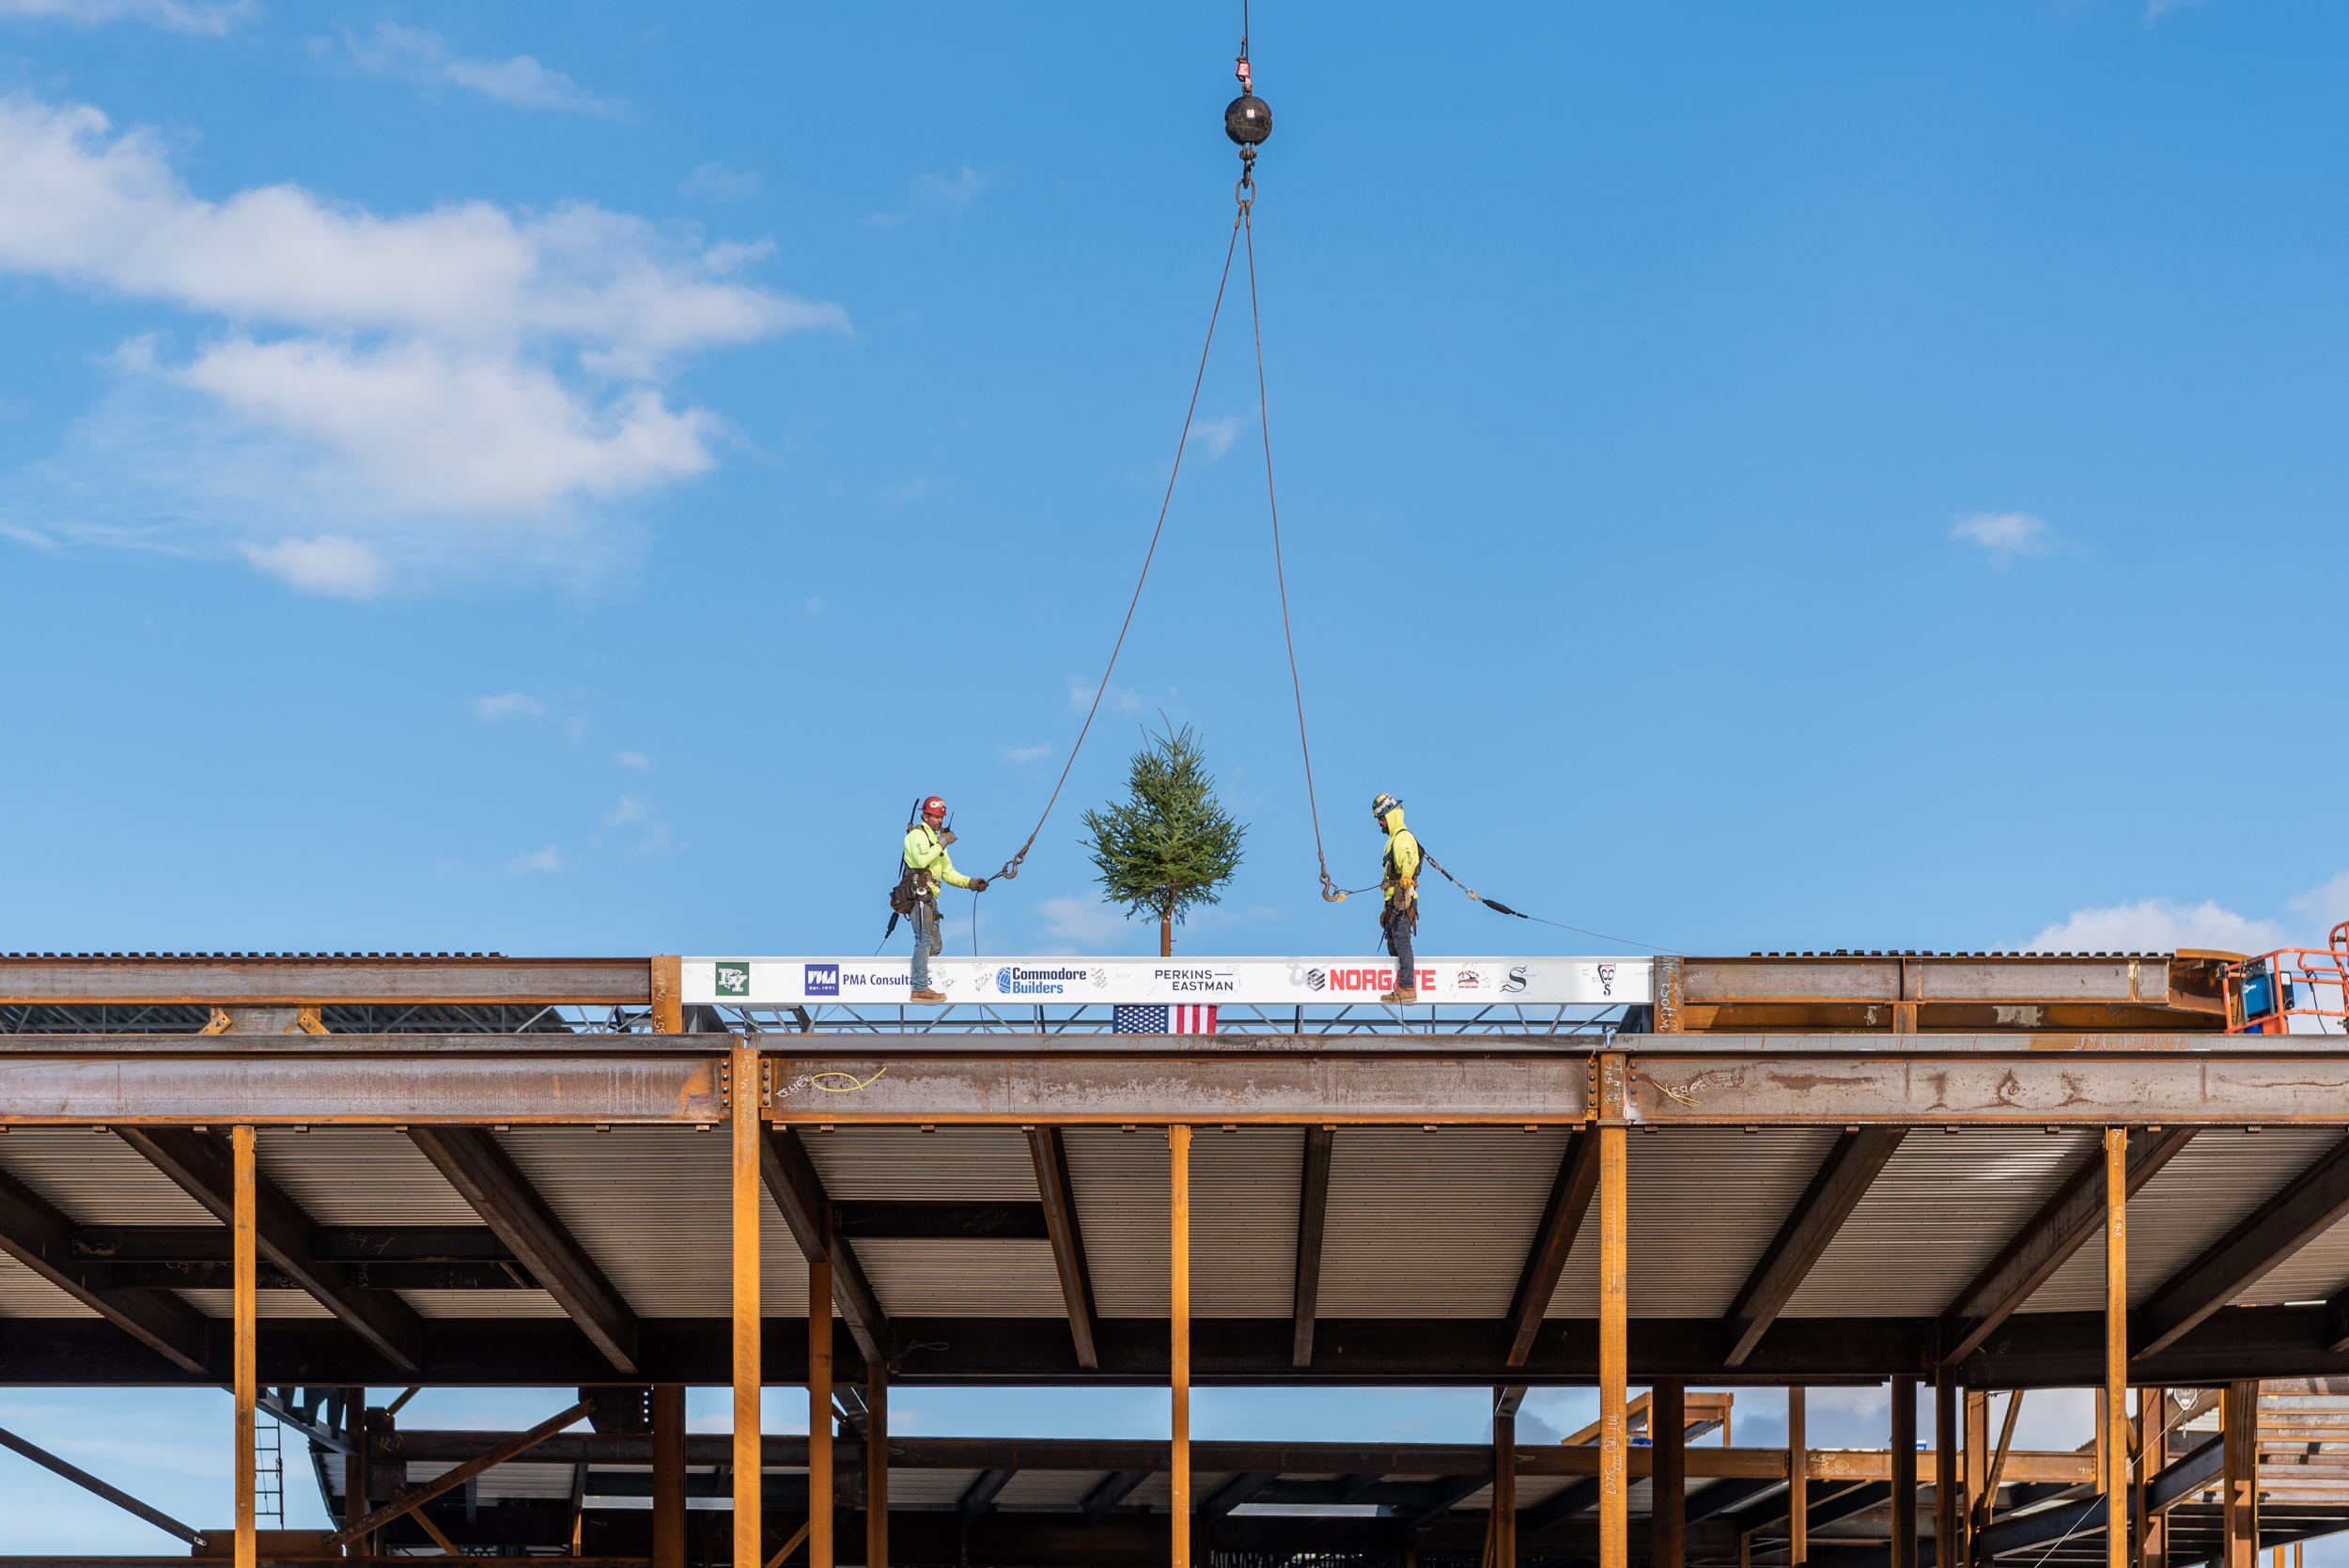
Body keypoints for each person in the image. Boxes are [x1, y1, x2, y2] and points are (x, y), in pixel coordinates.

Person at [903, 796, 985, 1003]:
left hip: (930, 898)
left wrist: (971, 883)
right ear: (926, 816)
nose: (940, 821)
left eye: (941, 817)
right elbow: (921, 859)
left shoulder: (937, 843)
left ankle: (924, 978)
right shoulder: (917, 836)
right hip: (918, 893)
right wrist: (942, 842)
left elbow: (948, 873)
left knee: (936, 946)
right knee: (924, 940)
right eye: (936, 817)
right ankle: (920, 987)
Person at [1373, 792, 1421, 1004]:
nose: (1380, 823)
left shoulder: (1402, 837)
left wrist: (1408, 875)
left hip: (1403, 899)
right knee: (1394, 943)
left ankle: (1408, 987)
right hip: (1394, 900)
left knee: (1402, 942)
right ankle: (1400, 985)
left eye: (1381, 818)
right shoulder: (1393, 840)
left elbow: (1407, 859)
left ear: (1390, 816)